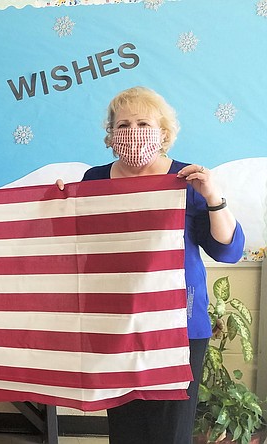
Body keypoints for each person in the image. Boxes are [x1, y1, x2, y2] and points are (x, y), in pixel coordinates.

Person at [71, 86, 244, 444]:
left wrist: (214, 198)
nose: (133, 132)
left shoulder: (187, 181)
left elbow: (228, 251)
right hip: (118, 322)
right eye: (124, 124)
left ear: (163, 132)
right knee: (125, 426)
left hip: (177, 326)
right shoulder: (93, 181)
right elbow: (77, 244)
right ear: (110, 134)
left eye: (143, 123)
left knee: (170, 429)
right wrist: (59, 202)